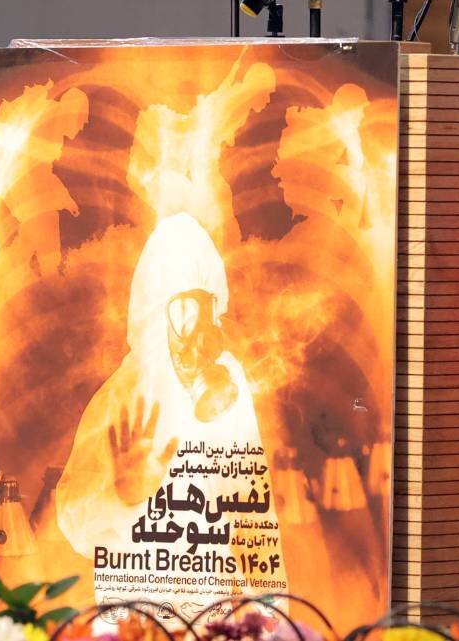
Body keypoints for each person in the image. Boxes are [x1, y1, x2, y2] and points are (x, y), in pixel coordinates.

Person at [54, 211, 286, 610]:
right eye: (182, 313)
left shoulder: (229, 386)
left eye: (204, 312)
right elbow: (72, 519)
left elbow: (253, 513)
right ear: (154, 313)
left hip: (212, 614)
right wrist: (121, 495)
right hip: (136, 616)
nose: (195, 333)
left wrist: (271, 615)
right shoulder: (120, 396)